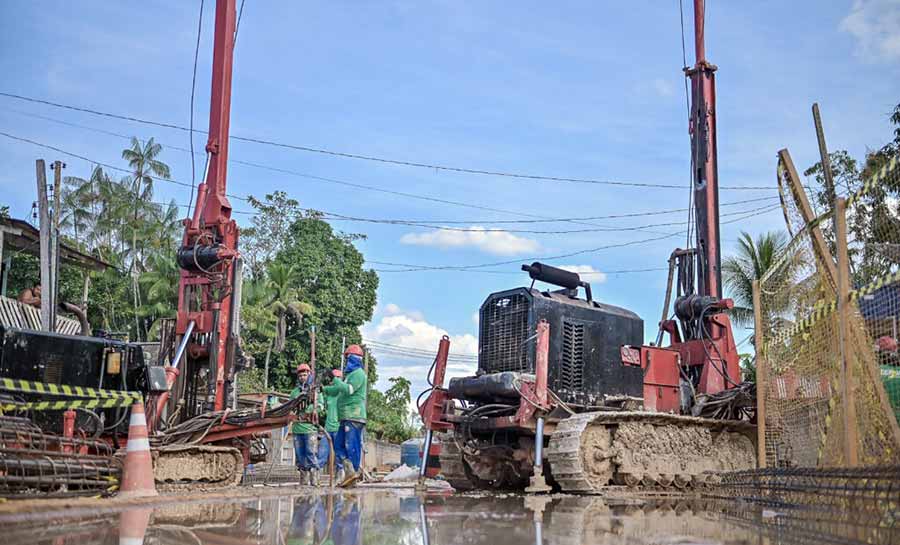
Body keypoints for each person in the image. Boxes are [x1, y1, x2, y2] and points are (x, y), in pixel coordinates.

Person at [324, 344, 367, 486]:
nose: (347, 362)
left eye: (348, 358)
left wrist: (334, 379)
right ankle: (350, 472)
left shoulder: (359, 374)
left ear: (355, 359)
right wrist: (323, 388)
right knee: (338, 446)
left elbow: (348, 390)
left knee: (351, 446)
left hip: (354, 416)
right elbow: (337, 389)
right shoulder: (349, 376)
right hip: (345, 417)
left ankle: (353, 473)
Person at [290, 363, 320, 486]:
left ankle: (315, 478)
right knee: (300, 455)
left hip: (309, 428)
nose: (303, 377)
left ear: (309, 375)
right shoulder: (294, 392)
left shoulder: (315, 392)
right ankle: (304, 478)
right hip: (297, 428)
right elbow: (290, 407)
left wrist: (311, 409)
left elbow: (320, 405)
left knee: (310, 452)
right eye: (300, 375)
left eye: (305, 374)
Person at [317, 368, 344, 483]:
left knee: (339, 456)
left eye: (338, 378)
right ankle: (316, 477)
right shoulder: (328, 394)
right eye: (334, 378)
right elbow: (320, 398)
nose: (336, 380)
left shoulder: (343, 395)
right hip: (327, 429)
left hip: (338, 429)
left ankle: (339, 477)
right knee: (322, 454)